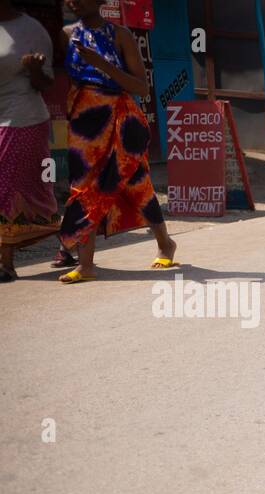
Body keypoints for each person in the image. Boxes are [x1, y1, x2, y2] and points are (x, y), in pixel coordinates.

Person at [55, 0, 176, 283]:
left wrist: (104, 65)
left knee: (137, 185)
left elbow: (141, 87)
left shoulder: (120, 35)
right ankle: (86, 265)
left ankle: (165, 243)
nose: (74, 1)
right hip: (84, 122)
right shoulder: (66, 33)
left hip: (120, 119)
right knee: (82, 187)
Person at [0, 0, 59, 281]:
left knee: (6, 188)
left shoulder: (31, 30)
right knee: (28, 193)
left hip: (22, 116)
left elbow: (46, 83)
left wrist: (34, 70)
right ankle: (69, 239)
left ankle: (6, 263)